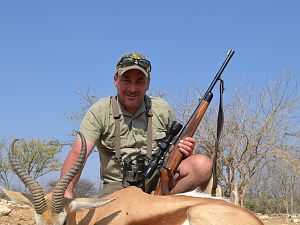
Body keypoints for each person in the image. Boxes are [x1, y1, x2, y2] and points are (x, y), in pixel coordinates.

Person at [61, 52, 213, 199]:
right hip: (117, 188)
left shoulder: (162, 109)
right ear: (115, 80)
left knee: (202, 165)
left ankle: (161, 208)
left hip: (157, 184)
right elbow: (79, 152)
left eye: (139, 81)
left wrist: (182, 150)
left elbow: (173, 148)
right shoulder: (99, 111)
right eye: (126, 80)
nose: (132, 89)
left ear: (148, 83)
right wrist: (66, 193)